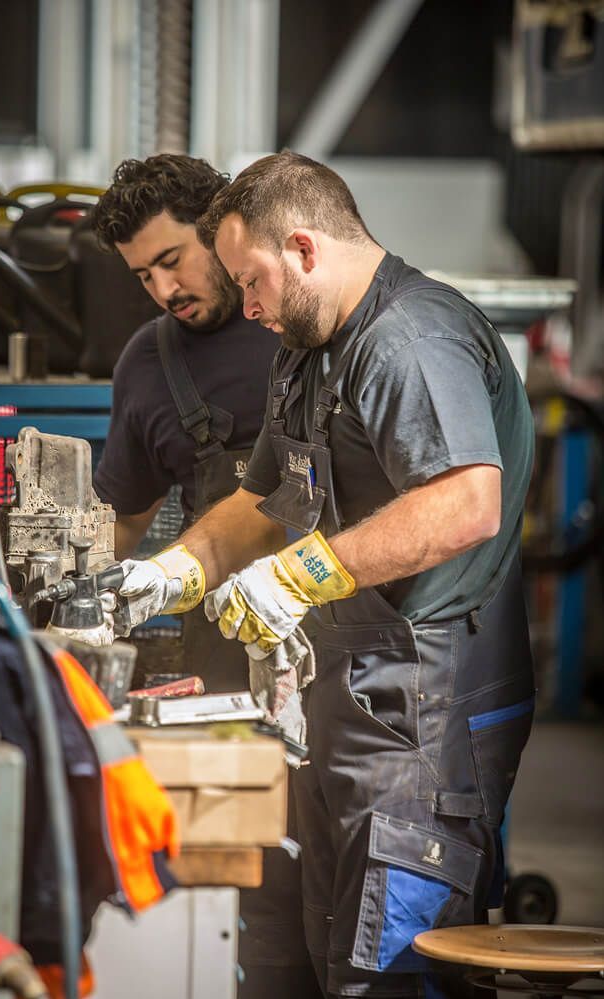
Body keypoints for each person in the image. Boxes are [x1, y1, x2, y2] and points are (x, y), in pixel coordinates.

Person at [112, 151, 538, 997]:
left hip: (429, 707)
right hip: (349, 697)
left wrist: (298, 575)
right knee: (318, 960)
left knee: (388, 973)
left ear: (304, 248)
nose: (250, 304)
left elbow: (466, 503)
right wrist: (168, 574)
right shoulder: (308, 350)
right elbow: (262, 500)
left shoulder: (409, 341)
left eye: (254, 280)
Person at [90, 153, 322, 999]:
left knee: (351, 892)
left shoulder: (309, 323)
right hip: (223, 661)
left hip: (348, 648)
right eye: (142, 274)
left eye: (172, 261)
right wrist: (94, 607)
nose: (162, 290)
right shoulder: (149, 365)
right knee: (247, 892)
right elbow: (114, 524)